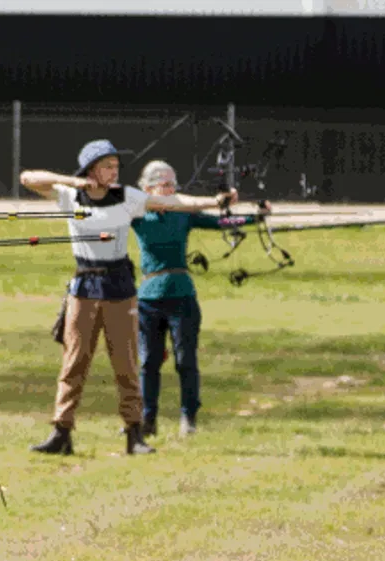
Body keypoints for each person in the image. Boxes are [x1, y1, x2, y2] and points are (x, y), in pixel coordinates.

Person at [18, 140, 233, 456]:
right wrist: (74, 181)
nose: (115, 171)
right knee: (74, 362)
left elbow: (175, 201)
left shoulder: (128, 197)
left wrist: (214, 202)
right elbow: (28, 177)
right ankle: (61, 433)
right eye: (108, 166)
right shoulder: (68, 195)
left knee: (126, 363)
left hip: (119, 287)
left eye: (116, 166)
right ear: (92, 169)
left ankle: (135, 435)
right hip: (84, 286)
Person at [131, 160, 268, 439]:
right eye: (162, 184)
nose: (169, 189)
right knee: (149, 362)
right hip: (148, 298)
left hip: (181, 295)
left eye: (172, 184)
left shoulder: (184, 213)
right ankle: (148, 418)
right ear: (147, 188)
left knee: (186, 360)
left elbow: (222, 222)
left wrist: (255, 217)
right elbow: (104, 213)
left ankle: (188, 417)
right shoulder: (138, 213)